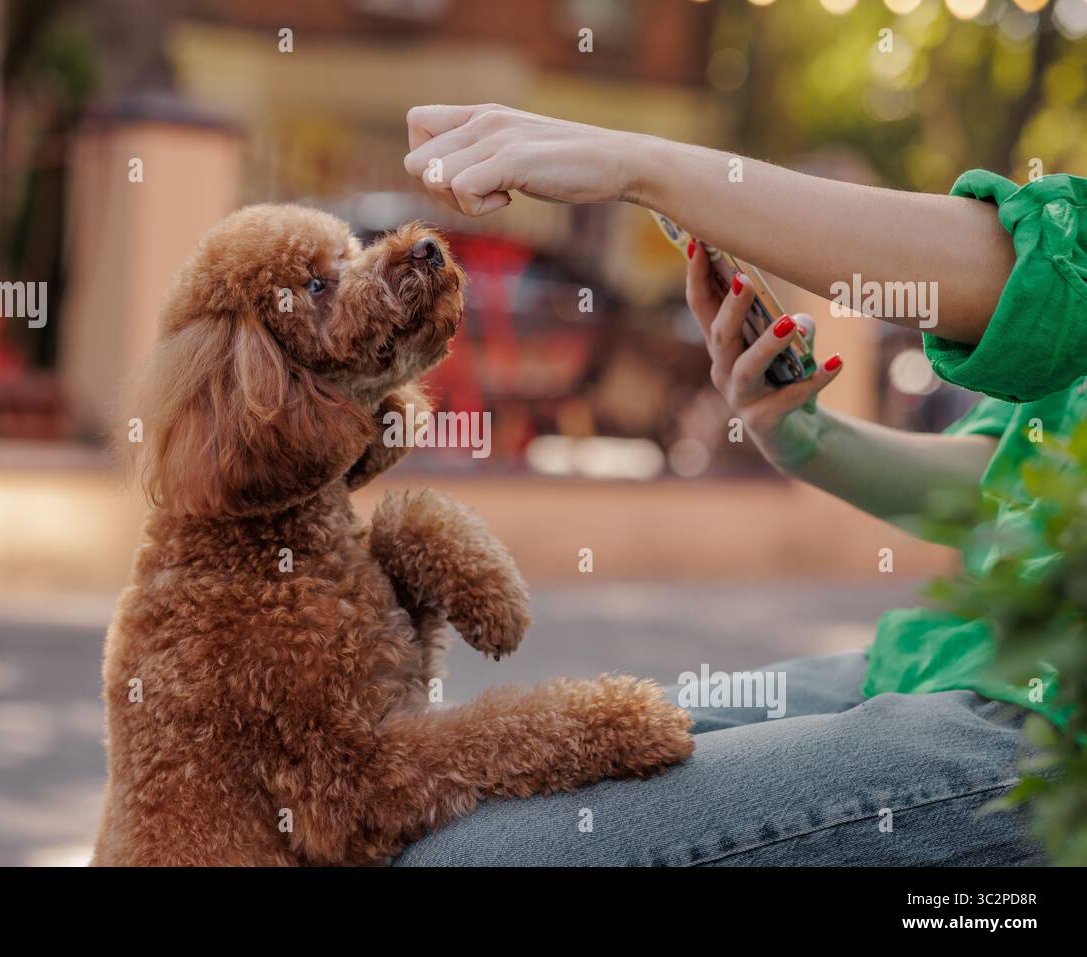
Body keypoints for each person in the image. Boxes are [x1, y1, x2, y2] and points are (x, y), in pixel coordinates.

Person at [393, 104, 1086, 865]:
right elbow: (1003, 489)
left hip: (1053, 736)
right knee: (427, 805)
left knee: (472, 858)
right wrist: (807, 437)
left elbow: (1037, 277)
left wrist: (645, 166)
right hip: (939, 657)